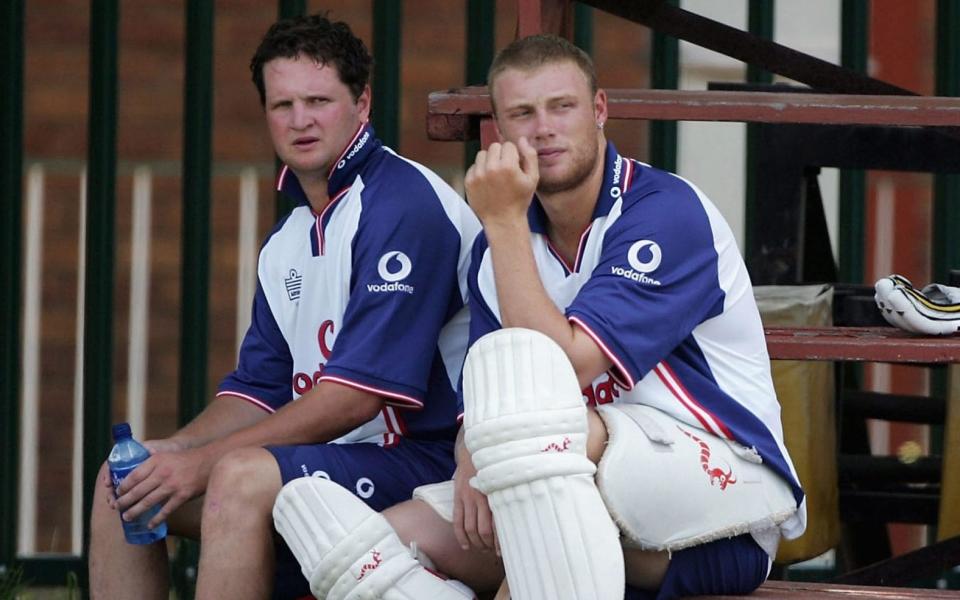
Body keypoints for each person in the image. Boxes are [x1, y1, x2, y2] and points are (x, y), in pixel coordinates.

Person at [271, 33, 807, 600]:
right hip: (558, 480)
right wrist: (471, 456)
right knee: (368, 551)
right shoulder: (496, 250)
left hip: (723, 505)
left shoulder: (666, 212)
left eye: (562, 107)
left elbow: (555, 372)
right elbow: (486, 389)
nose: (543, 128)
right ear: (500, 131)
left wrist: (501, 222)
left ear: (599, 111)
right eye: (522, 113)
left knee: (537, 444)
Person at [88, 13, 479, 600]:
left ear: (362, 102)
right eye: (282, 105)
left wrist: (204, 464)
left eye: (319, 100)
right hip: (333, 459)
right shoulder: (290, 236)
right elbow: (257, 391)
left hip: (427, 464)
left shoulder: (404, 206)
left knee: (239, 477)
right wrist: (175, 454)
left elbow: (354, 398)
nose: (300, 121)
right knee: (126, 481)